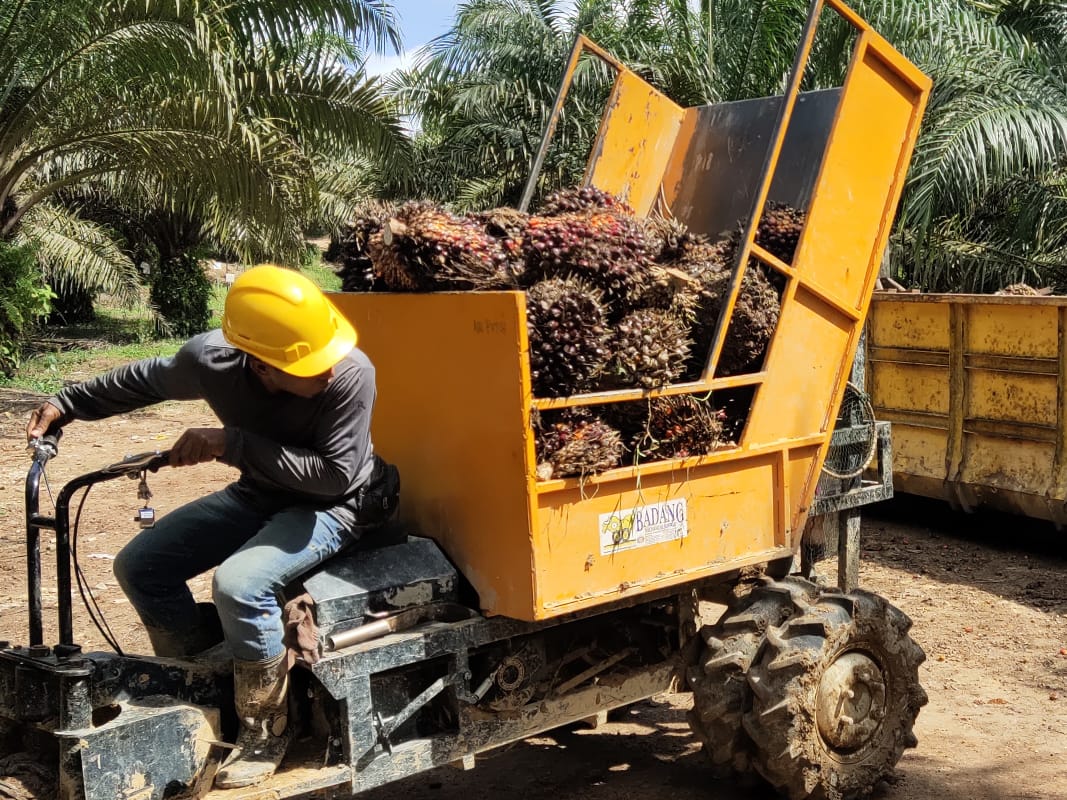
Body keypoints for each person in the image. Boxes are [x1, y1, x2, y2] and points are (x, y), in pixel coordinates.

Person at [25, 264, 396, 789]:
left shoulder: (351, 372)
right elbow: (143, 380)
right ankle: (203, 683)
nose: (329, 370)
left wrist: (230, 444)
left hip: (339, 505)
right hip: (260, 493)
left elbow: (334, 478)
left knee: (241, 585)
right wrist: (67, 404)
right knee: (142, 566)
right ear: (260, 365)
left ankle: (265, 728)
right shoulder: (211, 361)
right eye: (310, 366)